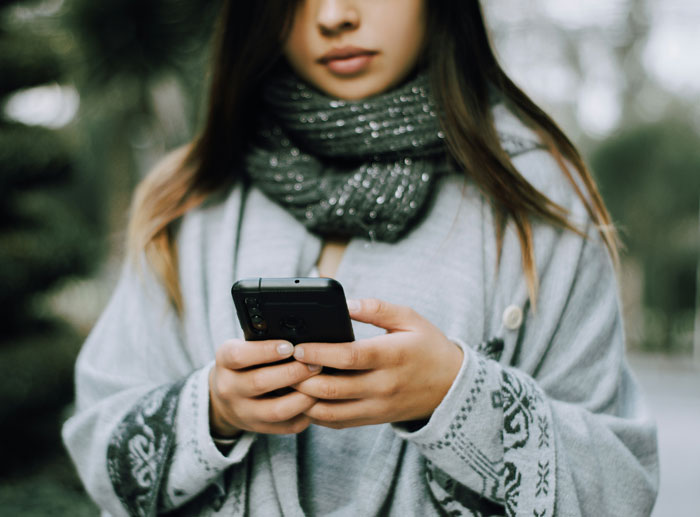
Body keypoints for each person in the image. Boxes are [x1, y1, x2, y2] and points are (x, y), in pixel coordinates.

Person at [62, 1, 659, 516]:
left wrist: (457, 396)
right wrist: (213, 409)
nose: (333, 16)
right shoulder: (191, 197)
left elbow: (621, 489)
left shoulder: (539, 199)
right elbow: (97, 443)